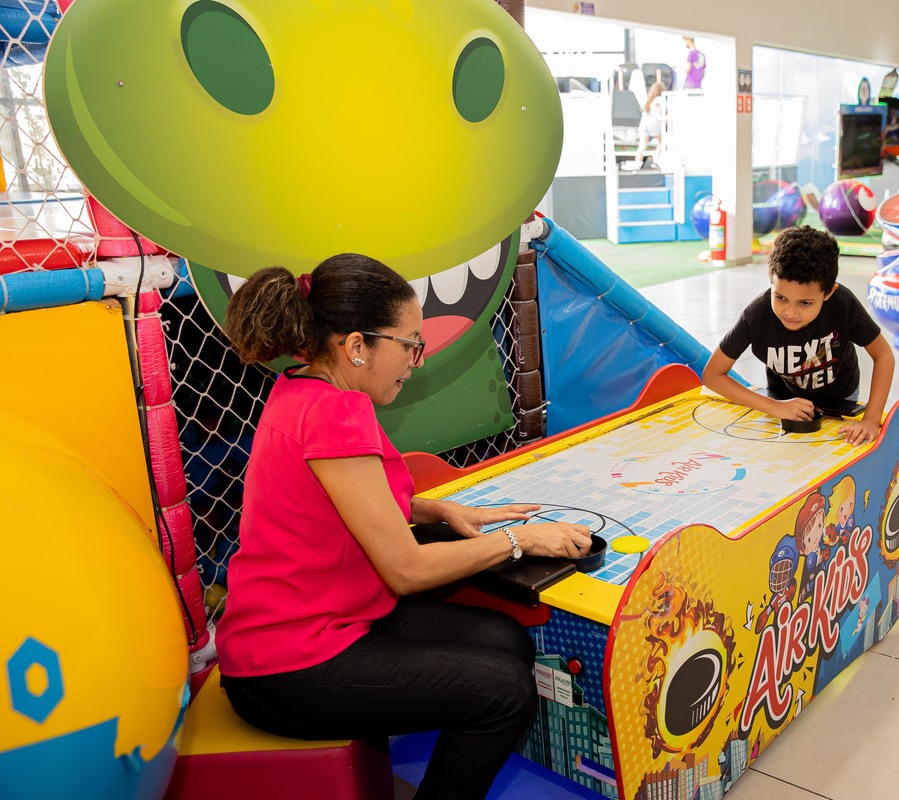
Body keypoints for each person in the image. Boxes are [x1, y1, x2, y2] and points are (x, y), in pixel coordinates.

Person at [215, 253, 593, 800]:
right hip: (284, 666)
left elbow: (340, 498)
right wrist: (519, 539)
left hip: (325, 621)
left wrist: (439, 510)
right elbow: (407, 571)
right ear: (357, 345)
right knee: (505, 692)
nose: (416, 360)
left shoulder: (303, 389)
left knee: (505, 639)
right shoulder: (334, 414)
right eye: (410, 344)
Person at [701, 225, 896, 446]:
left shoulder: (843, 303)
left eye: (805, 303)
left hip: (840, 399)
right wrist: (775, 406)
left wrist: (871, 420)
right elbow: (713, 375)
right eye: (780, 297)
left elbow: (883, 355)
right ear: (771, 281)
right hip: (782, 400)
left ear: (829, 292)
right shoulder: (756, 315)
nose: (790, 313)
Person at [623, 80, 666, 171]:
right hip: (654, 123)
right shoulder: (659, 99)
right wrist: (663, 118)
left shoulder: (649, 100)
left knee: (642, 145)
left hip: (644, 123)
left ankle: (637, 164)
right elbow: (657, 113)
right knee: (663, 142)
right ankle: (656, 160)